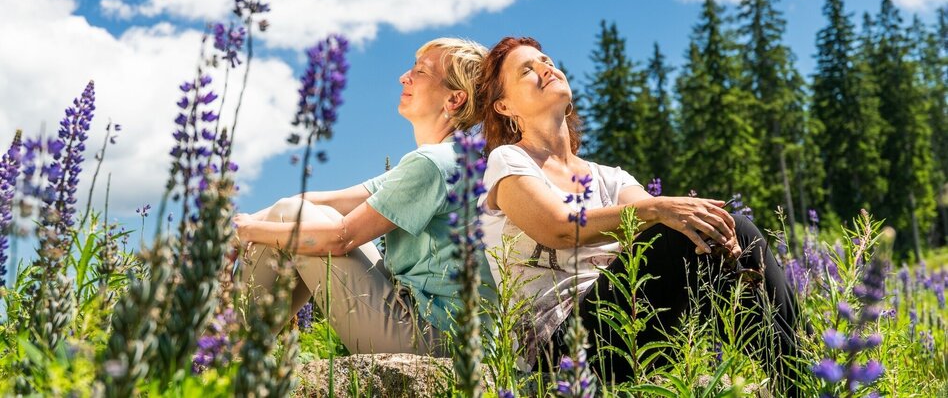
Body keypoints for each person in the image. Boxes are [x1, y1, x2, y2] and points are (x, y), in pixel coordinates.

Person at [475, 36, 802, 392]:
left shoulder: (609, 177)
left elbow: (662, 230)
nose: (545, 67)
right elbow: (559, 228)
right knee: (698, 229)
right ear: (504, 106)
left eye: (546, 60)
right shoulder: (508, 162)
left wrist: (719, 242)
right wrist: (662, 207)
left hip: (633, 322)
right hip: (561, 346)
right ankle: (801, 377)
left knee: (733, 233)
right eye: (527, 69)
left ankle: (800, 374)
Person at [234, 37, 496, 356]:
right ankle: (228, 353)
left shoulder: (433, 165)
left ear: (454, 99)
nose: (404, 77)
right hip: (444, 332)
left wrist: (246, 231)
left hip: (435, 341)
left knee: (297, 216)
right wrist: (236, 227)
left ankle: (211, 356)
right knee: (297, 211)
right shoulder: (450, 158)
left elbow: (339, 240)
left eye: (421, 72)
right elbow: (330, 202)